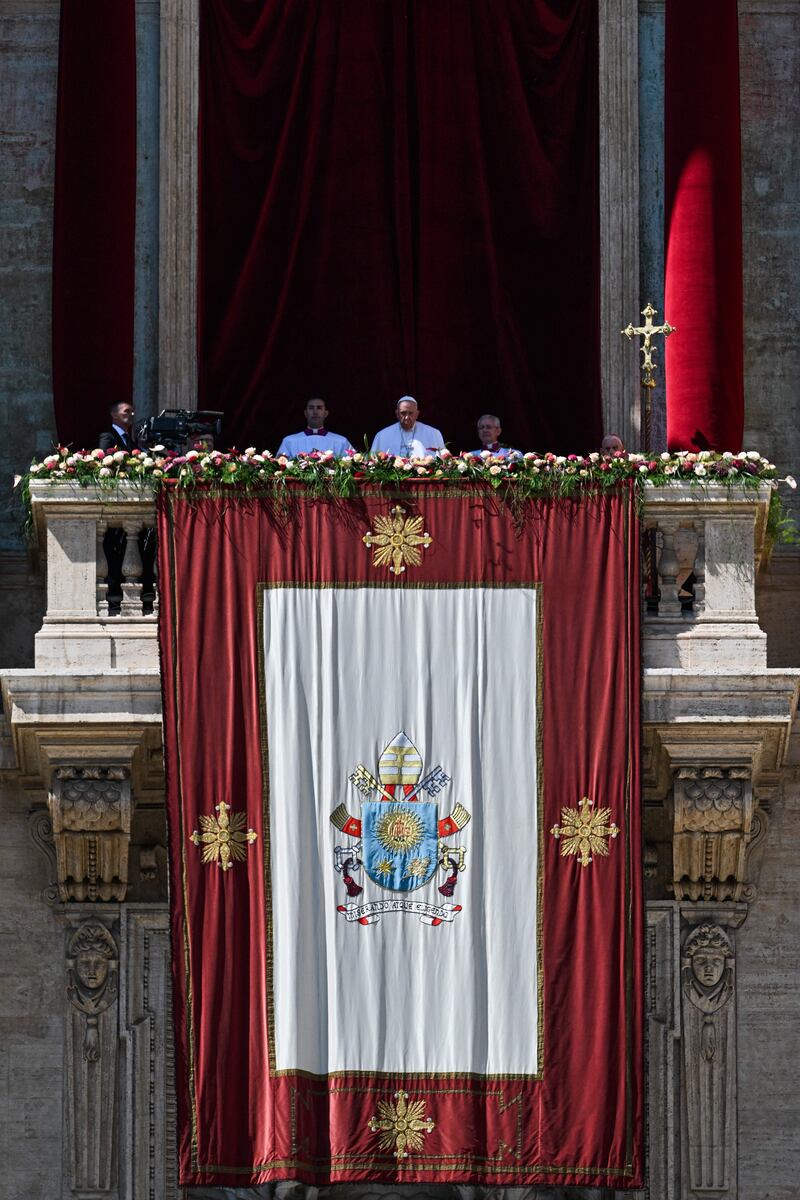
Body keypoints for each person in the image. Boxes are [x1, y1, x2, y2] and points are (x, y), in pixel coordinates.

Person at [276, 398, 353, 457]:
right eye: (311, 408)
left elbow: (354, 467)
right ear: (305, 413)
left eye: (319, 408)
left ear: (326, 413)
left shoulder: (341, 441)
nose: (315, 412)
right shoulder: (289, 441)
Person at [371, 396, 444, 457]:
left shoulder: (434, 434)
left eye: (410, 413)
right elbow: (373, 464)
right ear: (397, 414)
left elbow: (443, 462)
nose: (406, 417)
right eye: (403, 413)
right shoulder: (382, 435)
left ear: (417, 414)